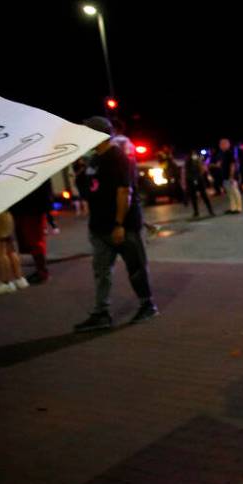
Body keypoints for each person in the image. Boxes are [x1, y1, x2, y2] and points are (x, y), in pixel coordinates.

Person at [73, 116, 158, 332]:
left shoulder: (118, 158)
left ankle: (147, 304)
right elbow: (88, 189)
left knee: (136, 268)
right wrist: (78, 171)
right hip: (99, 227)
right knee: (101, 271)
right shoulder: (94, 159)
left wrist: (119, 224)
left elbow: (124, 192)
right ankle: (102, 313)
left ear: (99, 135)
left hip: (123, 226)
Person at [0, 211, 28, 295]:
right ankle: (19, 279)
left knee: (0, 253)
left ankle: (5, 283)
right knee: (11, 251)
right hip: (6, 218)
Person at [185, 149, 215, 218]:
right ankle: (205, 211)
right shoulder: (192, 159)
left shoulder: (191, 159)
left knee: (199, 196)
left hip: (195, 179)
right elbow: (199, 168)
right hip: (195, 179)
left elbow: (199, 168)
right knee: (199, 196)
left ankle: (201, 212)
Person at [219, 138, 243, 214]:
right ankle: (233, 208)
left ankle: (239, 208)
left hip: (231, 177)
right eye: (220, 144)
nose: (220, 145)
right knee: (230, 193)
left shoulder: (229, 153)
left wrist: (231, 176)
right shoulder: (223, 154)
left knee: (235, 192)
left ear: (227, 144)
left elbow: (232, 165)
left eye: (222, 144)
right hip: (225, 177)